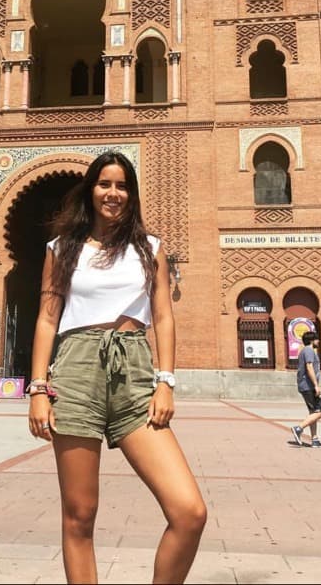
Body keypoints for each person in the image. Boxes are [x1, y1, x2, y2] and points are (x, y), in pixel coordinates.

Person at [28, 151, 206, 584]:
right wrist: (36, 389)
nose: (113, 193)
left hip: (135, 374)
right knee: (79, 515)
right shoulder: (62, 248)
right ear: (90, 190)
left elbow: (163, 316)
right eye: (105, 184)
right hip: (76, 371)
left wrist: (166, 381)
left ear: (132, 194)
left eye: (122, 185)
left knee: (189, 511)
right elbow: (47, 318)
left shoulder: (150, 248)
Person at [290, 331, 321, 448]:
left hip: (306, 385)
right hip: (309, 385)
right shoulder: (309, 350)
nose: (319, 341)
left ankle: (314, 439)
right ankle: (299, 428)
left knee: (313, 413)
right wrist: (316, 385)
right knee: (319, 412)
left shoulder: (305, 351)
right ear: (312, 340)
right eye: (317, 339)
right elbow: (309, 366)